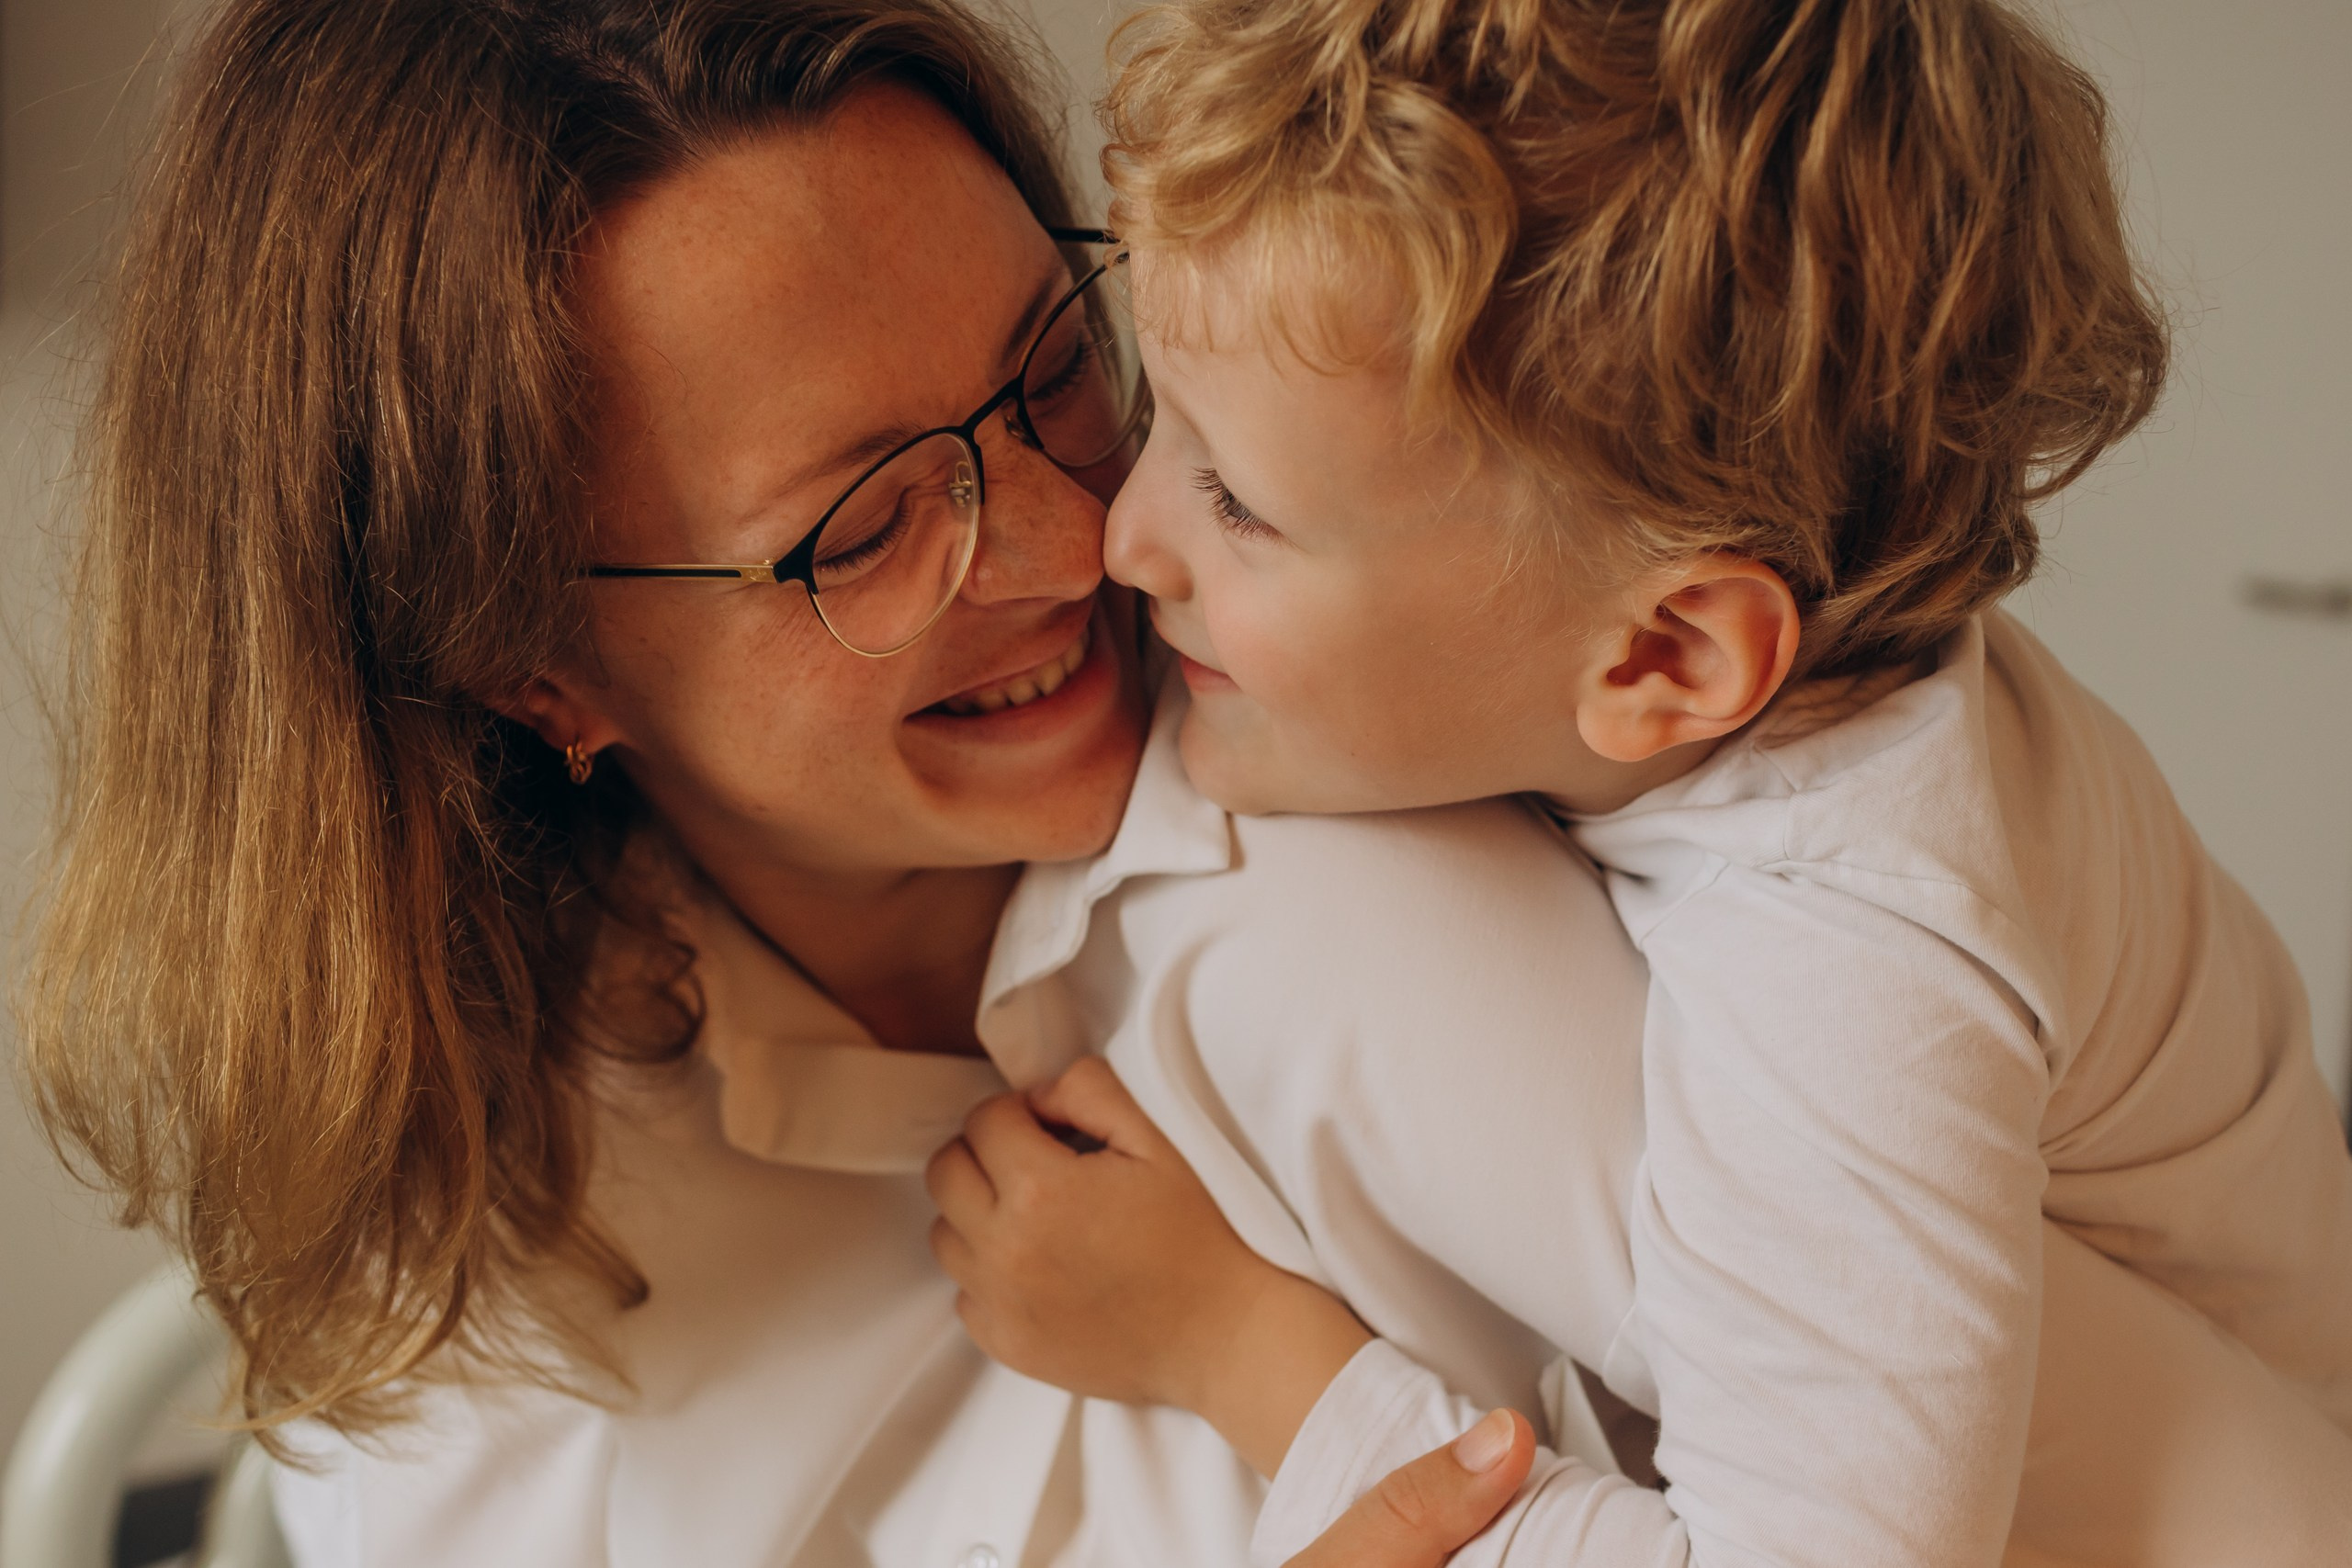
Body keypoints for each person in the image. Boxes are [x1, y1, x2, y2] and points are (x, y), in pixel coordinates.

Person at [13, 0, 1623, 1562]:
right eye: (864, 528)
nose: (1096, 544)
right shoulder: (471, 1271)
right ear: (537, 671)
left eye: (1059, 362)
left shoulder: (1427, 776)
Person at [928, 0, 2352, 1562]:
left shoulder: (1857, 972)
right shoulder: (1696, 654)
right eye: (1155, 414)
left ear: (1667, 657)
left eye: (1239, 503)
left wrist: (1230, 1348)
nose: (1123, 541)